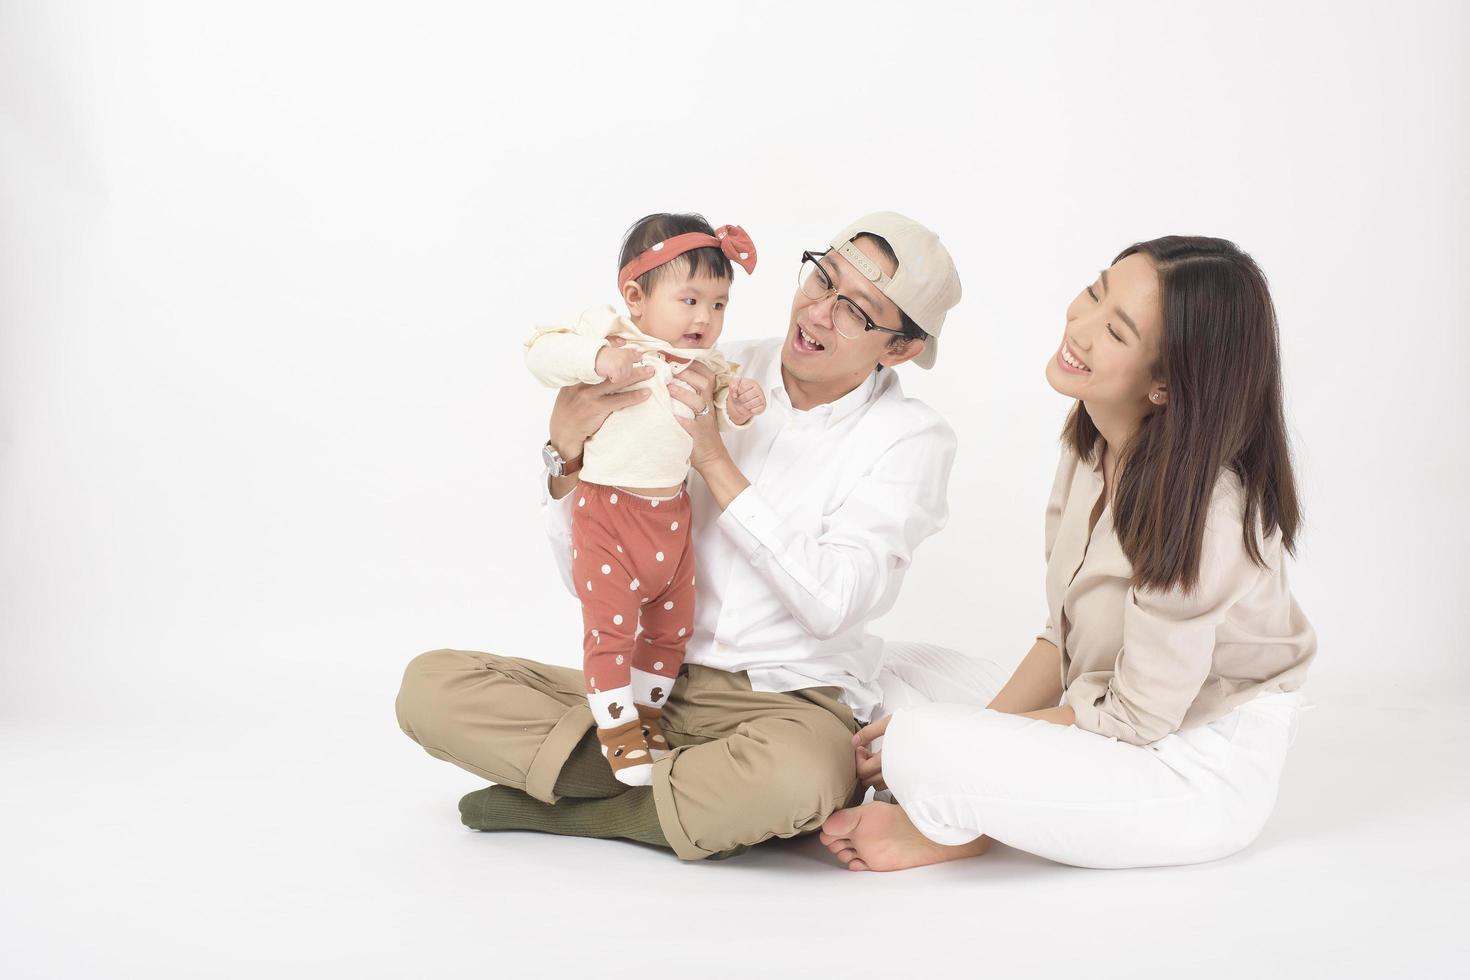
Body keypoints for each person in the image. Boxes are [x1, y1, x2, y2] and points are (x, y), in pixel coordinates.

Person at [395, 211, 963, 860]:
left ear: (900, 348)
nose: (818, 312)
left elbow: (833, 606)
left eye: (856, 311)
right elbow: (597, 574)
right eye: (821, 279)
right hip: (647, 682)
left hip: (784, 704)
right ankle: (681, 796)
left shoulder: (911, 440)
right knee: (430, 687)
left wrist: (716, 461)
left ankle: (577, 808)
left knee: (803, 776)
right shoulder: (705, 364)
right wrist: (567, 457)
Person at [823, 235, 1317, 872]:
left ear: (1167, 381)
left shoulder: (1207, 511)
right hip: (1098, 701)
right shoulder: (1095, 440)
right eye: (1093, 291)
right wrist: (970, 737)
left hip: (1183, 762)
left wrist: (951, 748)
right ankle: (962, 794)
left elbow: (1139, 719)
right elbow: (1062, 637)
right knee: (885, 668)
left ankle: (954, 829)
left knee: (917, 741)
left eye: (1116, 331)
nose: (1079, 327)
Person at [523, 213, 765, 786]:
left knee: (671, 628)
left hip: (671, 517)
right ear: (635, 297)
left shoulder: (707, 367)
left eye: (719, 304)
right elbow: (540, 351)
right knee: (610, 630)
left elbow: (721, 419)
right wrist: (597, 360)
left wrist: (740, 404)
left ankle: (648, 717)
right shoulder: (613, 337)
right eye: (690, 300)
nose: (705, 318)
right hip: (609, 512)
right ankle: (617, 733)